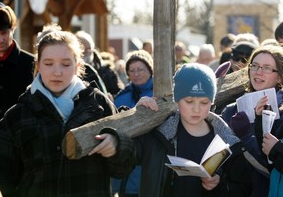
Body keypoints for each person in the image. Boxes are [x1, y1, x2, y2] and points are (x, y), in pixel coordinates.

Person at [0, 23, 136, 196]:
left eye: (66, 64)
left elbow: (124, 167)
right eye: (48, 63)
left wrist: (117, 145)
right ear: (38, 65)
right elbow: (4, 175)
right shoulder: (17, 116)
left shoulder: (98, 105)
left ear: (78, 67)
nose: (57, 72)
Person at [134, 63, 253, 197]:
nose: (196, 109)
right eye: (189, 101)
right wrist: (137, 115)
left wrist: (218, 185)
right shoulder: (158, 133)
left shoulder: (227, 140)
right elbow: (125, 156)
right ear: (177, 100)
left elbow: (242, 188)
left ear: (212, 102)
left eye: (204, 102)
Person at [221, 44, 283, 197]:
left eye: (267, 68)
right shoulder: (231, 110)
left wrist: (246, 136)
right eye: (254, 66)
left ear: (280, 76)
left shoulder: (281, 114)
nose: (258, 72)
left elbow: (270, 165)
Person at [112, 49, 154, 197]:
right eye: (132, 70)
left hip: (149, 162)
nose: (136, 74)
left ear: (150, 69)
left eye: (140, 70)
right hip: (126, 165)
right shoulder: (121, 97)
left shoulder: (160, 93)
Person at [0, 1, 34, 126]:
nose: (0, 40)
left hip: (19, 138)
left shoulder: (31, 64)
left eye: (4, 33)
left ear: (13, 29)